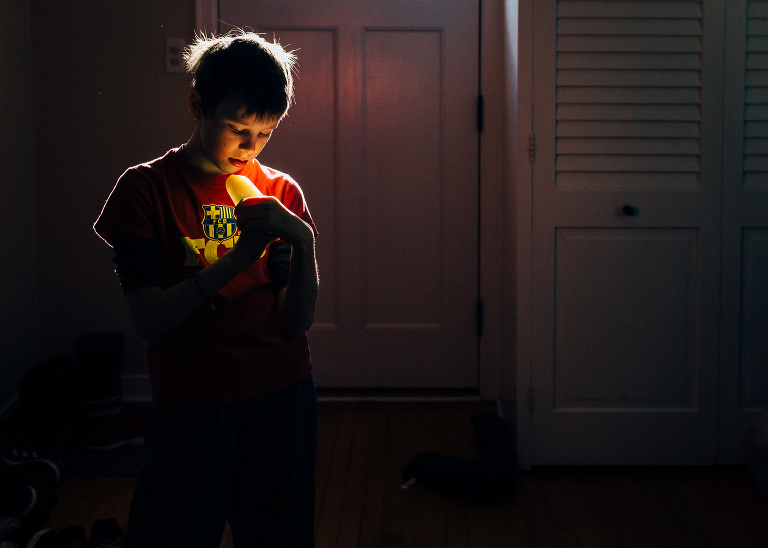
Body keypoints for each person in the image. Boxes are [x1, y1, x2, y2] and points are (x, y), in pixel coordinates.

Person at [93, 30, 319, 547]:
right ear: (197, 105)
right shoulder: (144, 189)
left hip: (281, 397)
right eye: (238, 128)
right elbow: (148, 318)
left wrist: (303, 243)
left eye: (265, 133)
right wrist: (239, 258)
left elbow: (295, 322)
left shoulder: (281, 192)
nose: (250, 148)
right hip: (193, 400)